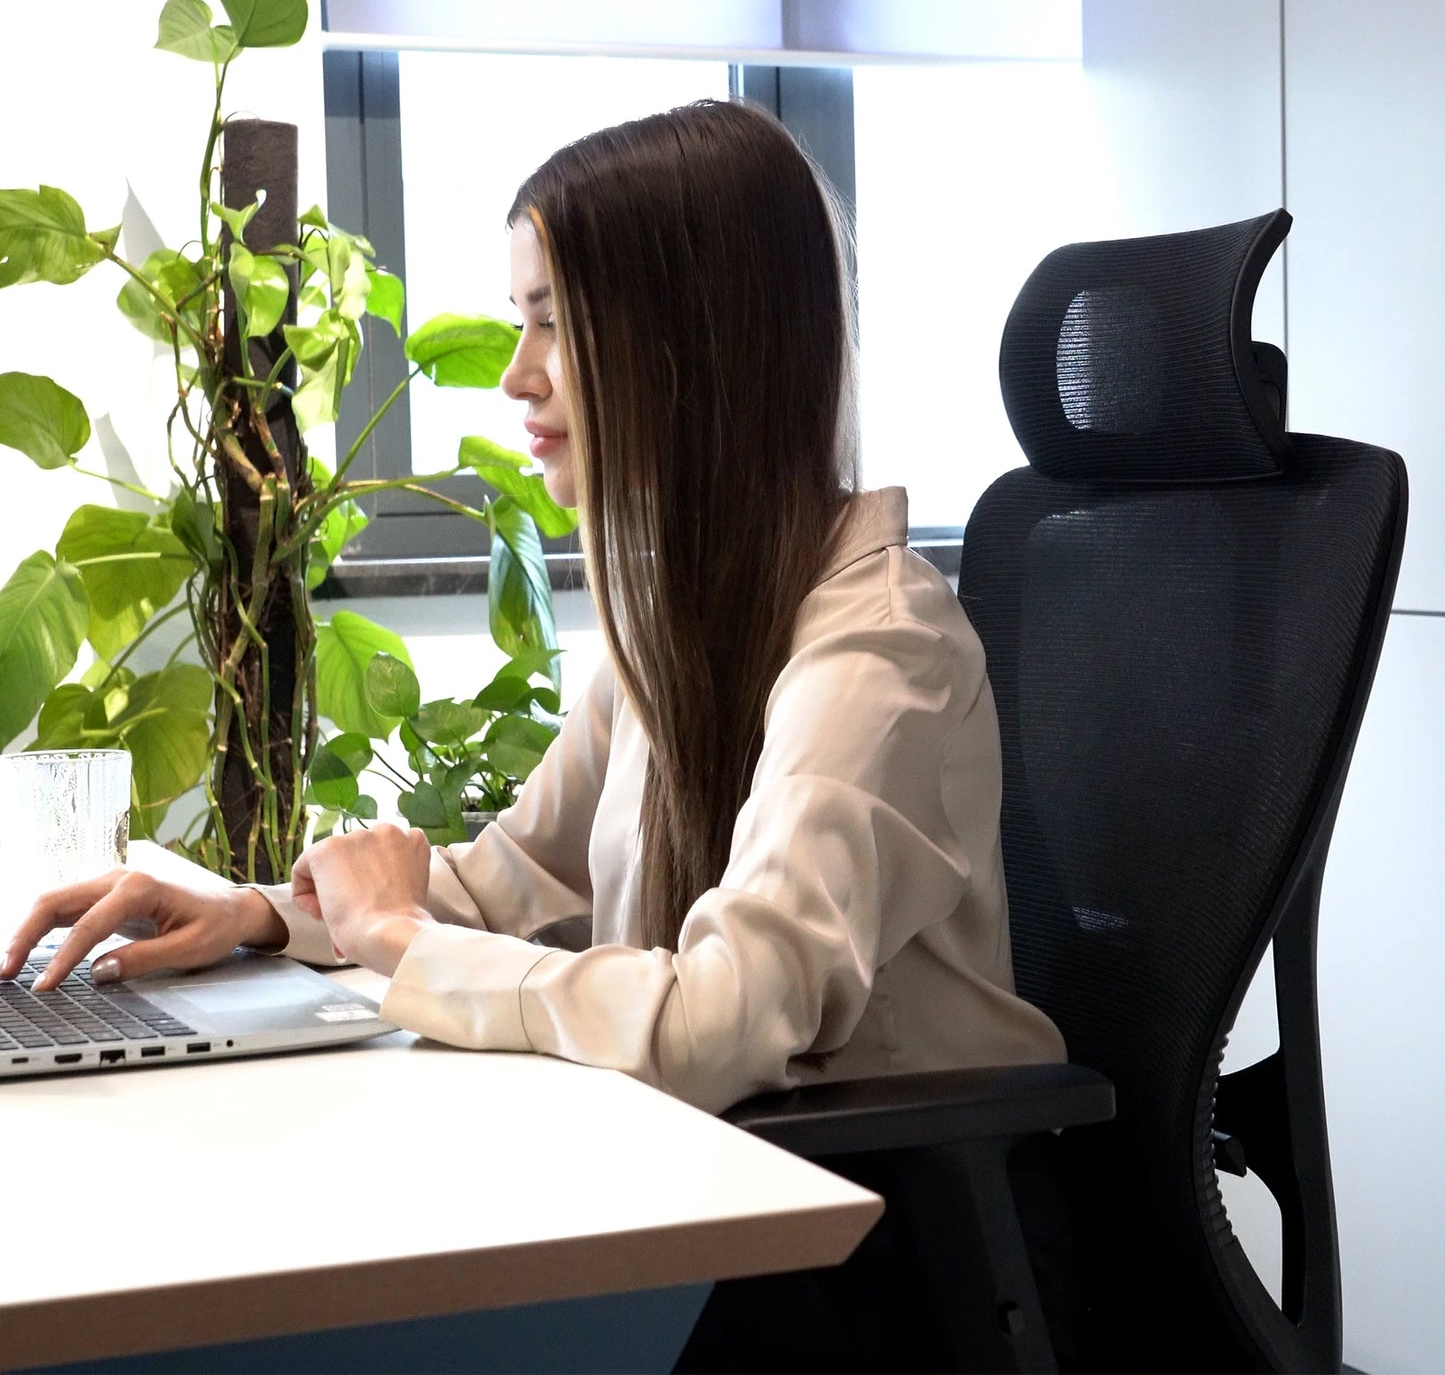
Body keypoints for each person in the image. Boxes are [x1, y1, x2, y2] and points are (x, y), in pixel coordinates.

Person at [3, 97, 1065, 1363]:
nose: (516, 375)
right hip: (710, 1188)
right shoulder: (676, 609)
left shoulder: (879, 651)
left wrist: (393, 933)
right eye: (521, 322)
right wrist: (256, 914)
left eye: (553, 322)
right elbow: (510, 884)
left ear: (691, 338)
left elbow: (717, 1020)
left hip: (875, 1253)